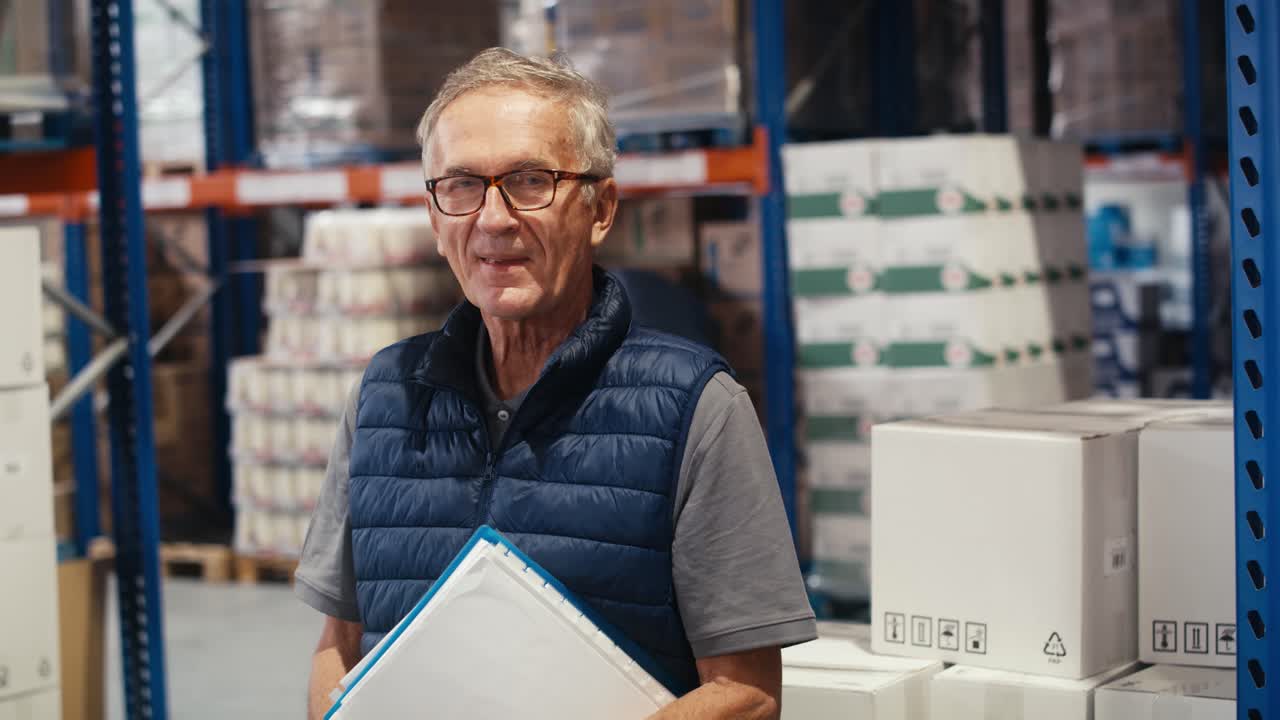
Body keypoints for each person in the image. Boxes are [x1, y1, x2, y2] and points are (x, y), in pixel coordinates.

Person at [297, 48, 815, 719]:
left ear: (601, 209)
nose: (492, 219)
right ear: (434, 218)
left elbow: (747, 693)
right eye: (459, 186)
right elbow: (338, 646)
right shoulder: (383, 398)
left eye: (529, 180)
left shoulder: (695, 409)